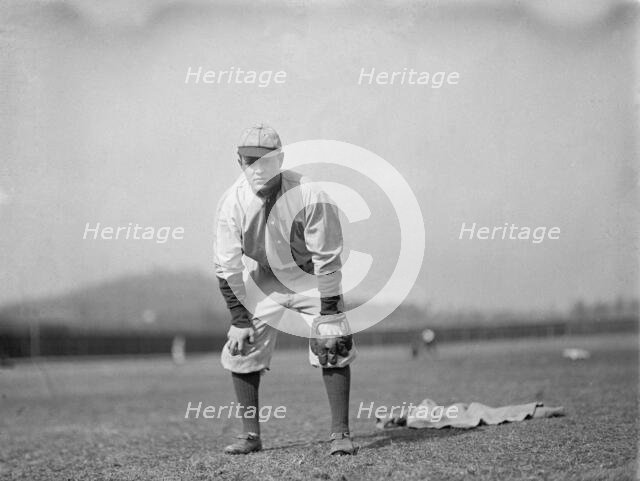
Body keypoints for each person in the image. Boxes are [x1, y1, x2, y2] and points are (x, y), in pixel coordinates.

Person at [214, 123, 357, 455]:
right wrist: (238, 319)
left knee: (332, 343)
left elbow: (327, 257)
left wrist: (331, 313)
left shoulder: (309, 193)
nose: (258, 167)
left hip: (309, 276)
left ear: (280, 160)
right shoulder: (231, 203)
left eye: (266, 160)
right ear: (239, 161)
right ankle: (251, 436)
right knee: (242, 345)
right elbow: (227, 266)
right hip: (265, 278)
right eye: (250, 160)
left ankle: (340, 433)